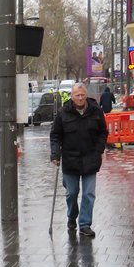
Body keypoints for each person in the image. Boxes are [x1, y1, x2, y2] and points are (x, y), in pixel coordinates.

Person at [49, 83, 108, 238]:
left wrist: (99, 150)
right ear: (72, 96)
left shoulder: (96, 111)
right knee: (72, 193)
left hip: (90, 159)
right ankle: (71, 216)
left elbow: (103, 132)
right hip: (70, 160)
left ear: (86, 94)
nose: (80, 98)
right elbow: (55, 136)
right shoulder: (63, 114)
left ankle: (85, 224)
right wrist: (55, 155)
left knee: (89, 194)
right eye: (77, 95)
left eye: (82, 95)